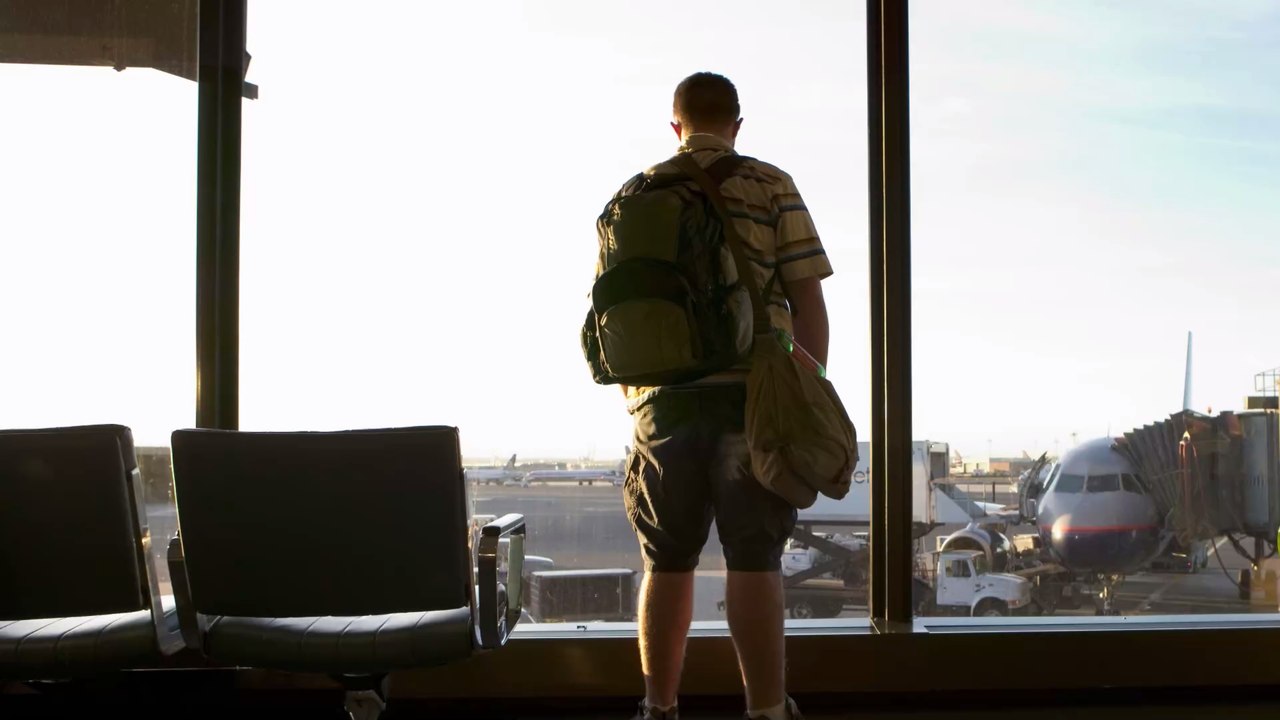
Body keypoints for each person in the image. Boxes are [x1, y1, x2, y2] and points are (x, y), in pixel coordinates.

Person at [615, 72, 833, 720]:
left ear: (676, 127)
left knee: (667, 562)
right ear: (737, 124)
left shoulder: (636, 194)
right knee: (755, 560)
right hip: (753, 400)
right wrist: (807, 388)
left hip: (665, 406)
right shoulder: (769, 185)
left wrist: (644, 402)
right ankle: (766, 709)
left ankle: (658, 706)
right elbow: (809, 305)